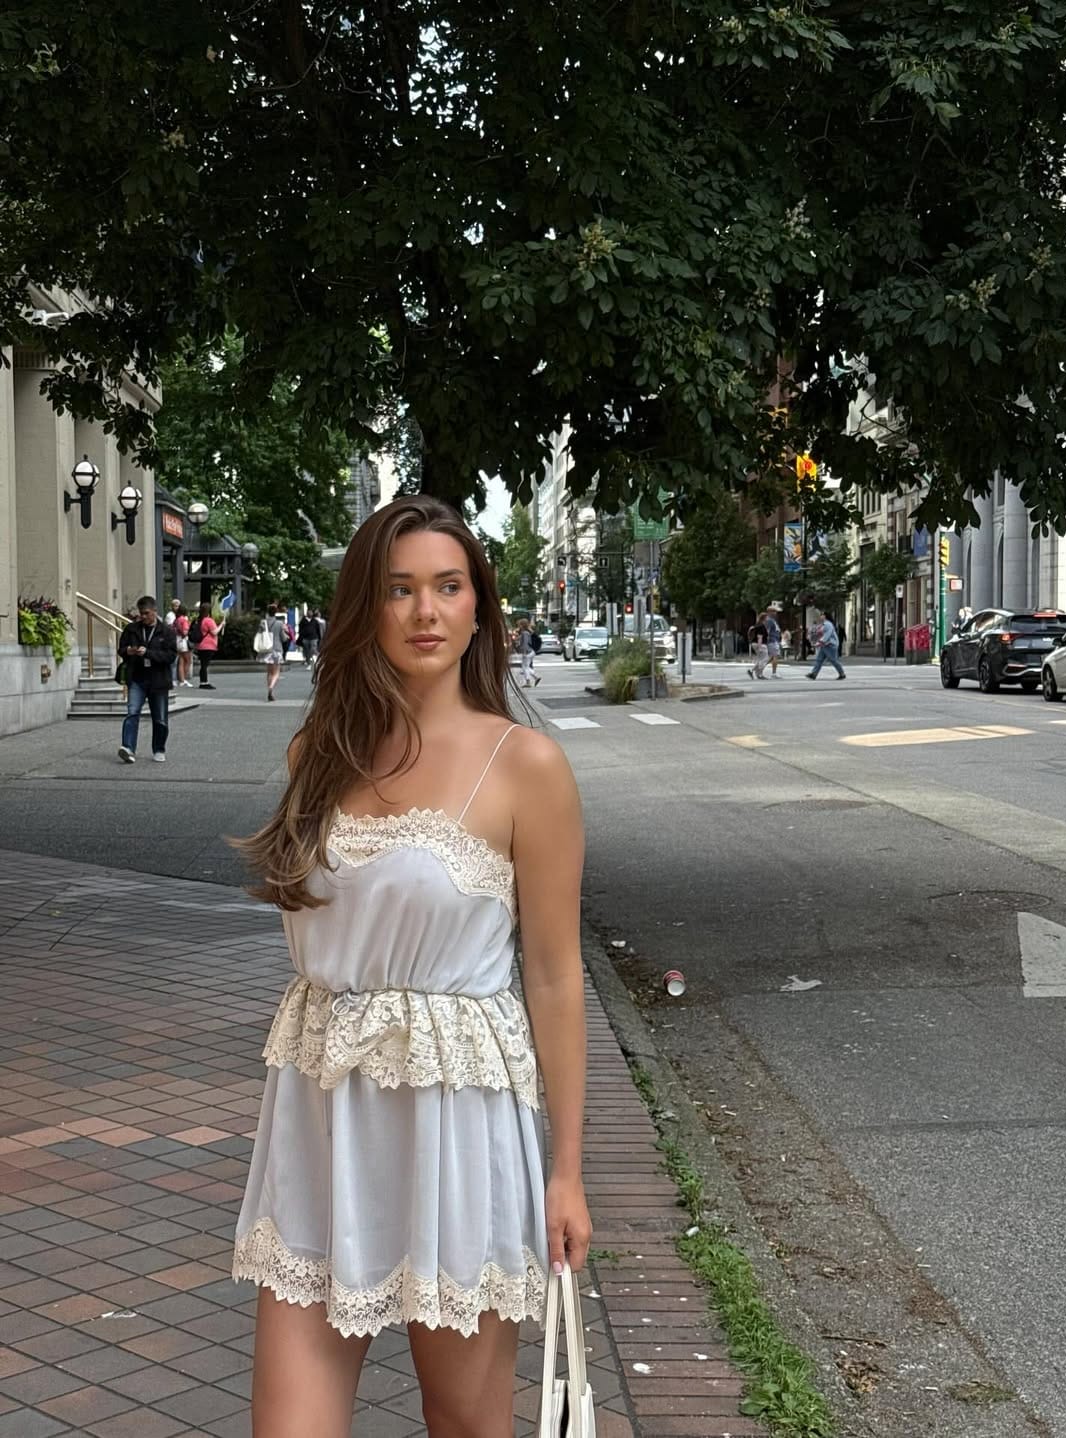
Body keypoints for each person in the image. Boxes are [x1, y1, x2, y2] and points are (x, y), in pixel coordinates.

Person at [230, 496, 590, 1438]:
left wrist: (567, 1170)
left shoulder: (528, 767)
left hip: (460, 1120)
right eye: (399, 590)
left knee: (465, 1423)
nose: (426, 612)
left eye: (448, 586)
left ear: (480, 608)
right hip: (320, 1113)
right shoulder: (321, 751)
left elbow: (554, 974)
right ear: (366, 608)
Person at [116, 595, 177, 764]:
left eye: (146, 613)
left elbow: (171, 656)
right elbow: (120, 649)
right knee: (132, 712)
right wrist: (128, 651)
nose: (142, 616)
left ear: (154, 611)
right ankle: (128, 748)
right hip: (137, 678)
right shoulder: (132, 629)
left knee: (160, 718)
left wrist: (149, 653)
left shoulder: (167, 631)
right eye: (141, 613)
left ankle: (159, 749)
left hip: (158, 680)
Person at [255, 604, 287, 700]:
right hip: (276, 649)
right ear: (276, 612)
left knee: (269, 672)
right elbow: (283, 638)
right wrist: (287, 635)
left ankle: (269, 690)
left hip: (266, 650)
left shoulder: (262, 622)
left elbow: (259, 634)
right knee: (276, 672)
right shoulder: (279, 623)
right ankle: (271, 688)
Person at [806, 612, 847, 680]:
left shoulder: (828, 624)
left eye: (822, 615)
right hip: (825, 645)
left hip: (830, 645)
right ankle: (813, 674)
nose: (820, 616)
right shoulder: (824, 624)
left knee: (833, 660)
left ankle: (842, 674)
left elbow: (827, 635)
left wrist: (820, 642)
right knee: (819, 660)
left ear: (825, 616)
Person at [193, 602, 220, 689]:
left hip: (200, 645)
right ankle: (204, 682)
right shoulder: (208, 621)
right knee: (205, 665)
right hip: (208, 645)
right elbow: (214, 632)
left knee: (203, 664)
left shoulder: (199, 620)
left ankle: (203, 681)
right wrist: (222, 625)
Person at [515, 615, 540, 687]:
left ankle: (528, 682)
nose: (518, 626)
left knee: (524, 667)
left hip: (527, 652)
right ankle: (536, 677)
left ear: (522, 625)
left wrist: (524, 652)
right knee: (526, 667)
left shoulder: (525, 633)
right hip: (530, 652)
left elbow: (525, 643)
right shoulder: (526, 632)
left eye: (519, 625)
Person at [174, 605, 193, 687]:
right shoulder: (184, 620)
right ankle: (183, 679)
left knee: (181, 661)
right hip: (183, 641)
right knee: (188, 660)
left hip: (177, 640)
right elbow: (185, 632)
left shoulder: (176, 620)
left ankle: (181, 680)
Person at [747, 612, 769, 680]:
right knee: (765, 659)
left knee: (760, 659)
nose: (768, 619)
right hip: (760, 644)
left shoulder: (757, 625)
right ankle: (759, 673)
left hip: (754, 643)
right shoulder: (761, 626)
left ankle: (752, 671)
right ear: (764, 618)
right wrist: (759, 647)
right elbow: (760, 637)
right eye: (767, 617)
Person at [765, 608, 783, 677]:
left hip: (775, 640)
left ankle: (757, 669)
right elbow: (767, 631)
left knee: (771, 657)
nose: (775, 613)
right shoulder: (769, 620)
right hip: (773, 640)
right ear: (769, 612)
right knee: (775, 656)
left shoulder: (773, 620)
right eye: (774, 611)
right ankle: (774, 673)